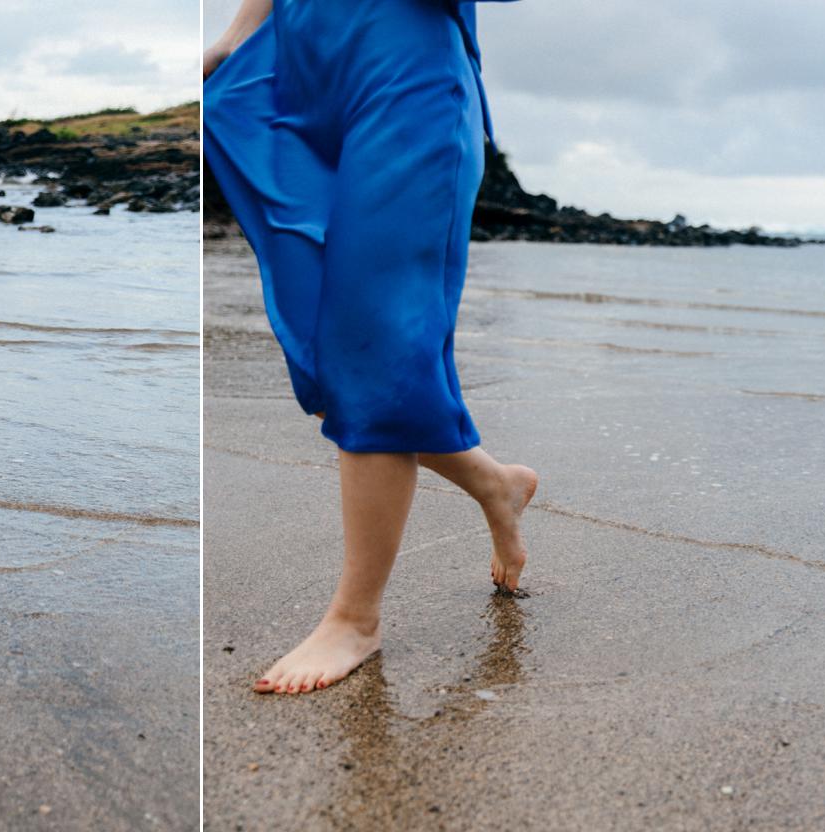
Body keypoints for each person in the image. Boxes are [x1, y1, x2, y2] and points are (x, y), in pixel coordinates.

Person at [205, 0, 538, 695]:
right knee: (334, 348)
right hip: (289, 65)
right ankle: (494, 484)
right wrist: (238, 37)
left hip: (405, 70)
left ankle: (355, 618)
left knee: (376, 347)